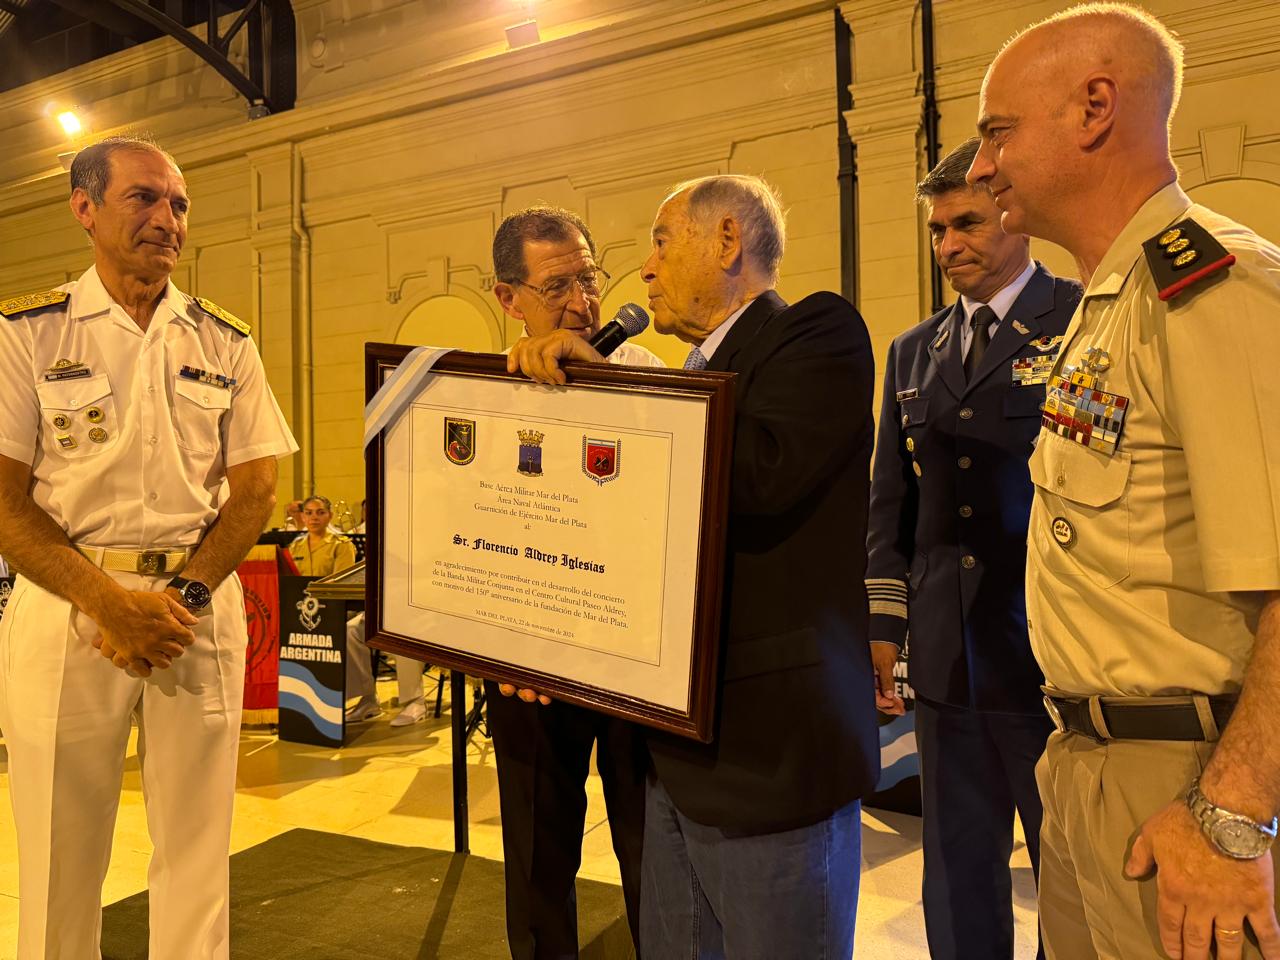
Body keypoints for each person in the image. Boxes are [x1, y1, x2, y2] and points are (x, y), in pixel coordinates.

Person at [967, 6, 1280, 959]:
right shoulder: (1112, 301)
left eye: (997, 131)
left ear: (1094, 107)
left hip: (1187, 782)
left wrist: (1234, 814)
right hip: (1084, 768)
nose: (982, 167)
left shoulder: (1214, 285)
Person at [507, 176, 878, 960]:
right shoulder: (675, 380)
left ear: (728, 242)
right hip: (669, 758)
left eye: (661, 242)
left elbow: (753, 475)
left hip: (768, 765)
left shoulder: (815, 334)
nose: (643, 269)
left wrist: (605, 388)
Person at [0, 135, 297, 960]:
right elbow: (3, 501)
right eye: (144, 198)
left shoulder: (224, 342)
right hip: (68, 613)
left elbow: (257, 492)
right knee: (60, 855)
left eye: (179, 204)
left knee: (199, 856)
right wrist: (109, 604)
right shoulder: (27, 334)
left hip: (193, 615)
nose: (167, 219)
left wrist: (185, 599)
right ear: (84, 207)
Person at [866, 136, 1080, 960]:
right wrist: (886, 626)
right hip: (948, 657)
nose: (949, 245)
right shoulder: (912, 351)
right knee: (956, 873)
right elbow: (894, 501)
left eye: (967, 223)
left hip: (1048, 652)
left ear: (1015, 218)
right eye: (937, 230)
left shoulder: (1078, 317)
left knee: (1068, 874)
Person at [474, 205, 660, 960]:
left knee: (650, 843)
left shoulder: (647, 373)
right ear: (507, 296)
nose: (583, 299)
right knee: (537, 847)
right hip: (527, 665)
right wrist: (488, 646)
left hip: (630, 652)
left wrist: (602, 378)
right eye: (558, 285)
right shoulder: (477, 395)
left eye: (589, 276)